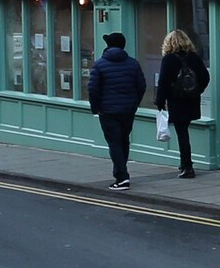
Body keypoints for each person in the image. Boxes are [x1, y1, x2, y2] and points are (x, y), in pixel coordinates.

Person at [86, 31, 146, 190]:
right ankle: (121, 172)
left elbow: (93, 89)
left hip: (108, 111)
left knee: (114, 143)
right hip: (128, 110)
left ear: (108, 46)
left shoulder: (99, 64)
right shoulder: (133, 63)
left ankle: (121, 177)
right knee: (124, 140)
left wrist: (96, 108)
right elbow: (141, 86)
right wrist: (134, 104)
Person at [154, 29, 211, 179]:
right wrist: (197, 90)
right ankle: (184, 164)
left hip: (177, 100)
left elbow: (163, 82)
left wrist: (160, 101)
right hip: (191, 99)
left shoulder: (169, 59)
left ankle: (187, 166)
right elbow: (205, 77)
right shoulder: (194, 57)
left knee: (182, 133)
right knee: (183, 130)